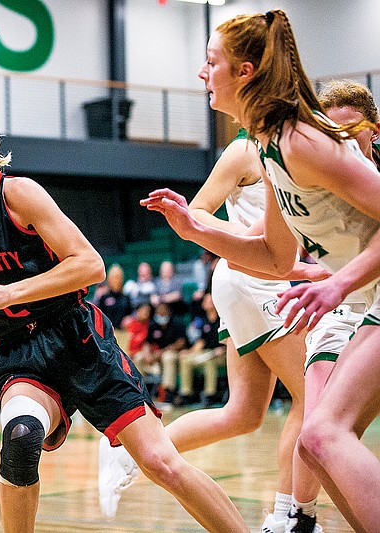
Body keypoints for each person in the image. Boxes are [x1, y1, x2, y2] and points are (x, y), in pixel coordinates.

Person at [0, 97, 248, 532]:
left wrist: (8, 293)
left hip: (78, 336)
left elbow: (90, 265)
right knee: (20, 440)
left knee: (162, 463)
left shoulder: (19, 195)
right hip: (20, 355)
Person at [141, 10, 380, 533]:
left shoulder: (304, 142)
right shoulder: (270, 148)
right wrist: (194, 228)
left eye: (211, 63)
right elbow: (274, 257)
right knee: (317, 443)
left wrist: (339, 281)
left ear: (245, 71)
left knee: (322, 436)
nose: (203, 74)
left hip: (370, 295)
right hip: (365, 299)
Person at [177, 293, 225, 406]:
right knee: (186, 360)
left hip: (223, 353)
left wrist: (224, 349)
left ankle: (210, 395)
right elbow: (202, 341)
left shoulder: (223, 319)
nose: (207, 303)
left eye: (210, 301)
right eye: (205, 301)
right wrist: (189, 352)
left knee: (210, 362)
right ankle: (186, 394)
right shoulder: (203, 320)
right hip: (207, 352)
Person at [91, 264, 132, 347]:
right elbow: (97, 315)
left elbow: (131, 313)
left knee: (123, 357)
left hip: (123, 333)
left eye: (119, 277)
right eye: (115, 277)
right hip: (108, 334)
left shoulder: (126, 297)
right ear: (109, 278)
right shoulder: (104, 297)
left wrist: (129, 318)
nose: (118, 280)